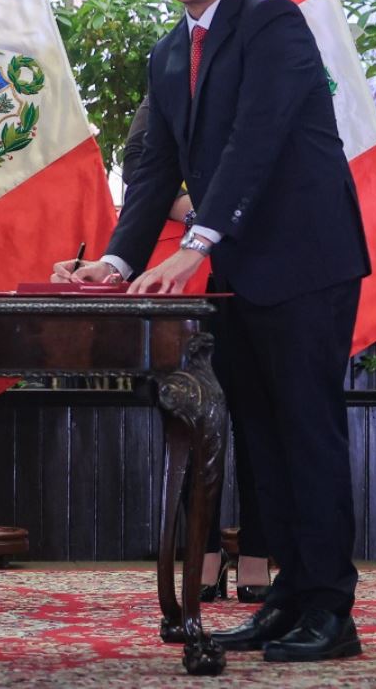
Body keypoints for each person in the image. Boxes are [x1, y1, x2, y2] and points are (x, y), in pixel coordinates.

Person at [54, 0, 369, 663]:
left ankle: (331, 609)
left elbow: (253, 144)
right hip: (236, 276)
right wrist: (119, 260)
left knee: (306, 433)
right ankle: (286, 600)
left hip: (305, 264)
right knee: (261, 442)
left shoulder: (271, 21)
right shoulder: (170, 51)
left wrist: (196, 242)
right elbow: (154, 165)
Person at [122, 97, 272, 606]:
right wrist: (196, 213)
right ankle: (202, 555)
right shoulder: (166, 83)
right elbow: (141, 169)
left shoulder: (253, 84)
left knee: (259, 422)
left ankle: (257, 555)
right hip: (183, 286)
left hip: (254, 276)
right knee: (189, 419)